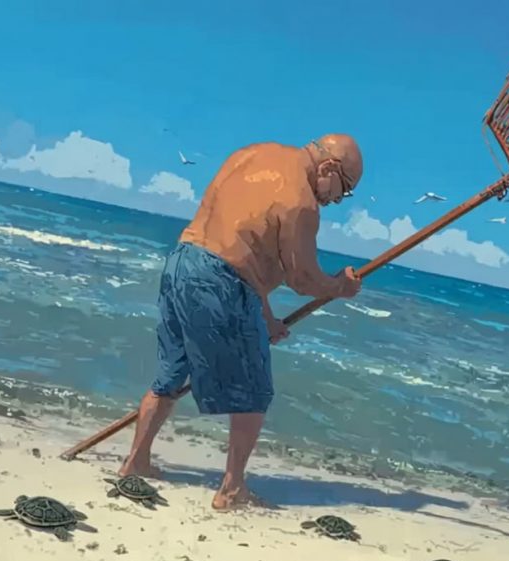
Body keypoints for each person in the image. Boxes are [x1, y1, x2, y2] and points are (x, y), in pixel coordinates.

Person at [118, 134, 364, 510]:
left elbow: (237, 243)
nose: (332, 201)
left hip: (182, 263)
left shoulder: (253, 153)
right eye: (342, 191)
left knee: (169, 377)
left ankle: (136, 461)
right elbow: (302, 279)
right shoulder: (301, 202)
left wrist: (264, 317)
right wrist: (339, 287)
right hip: (221, 284)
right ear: (330, 168)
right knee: (254, 393)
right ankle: (232, 488)